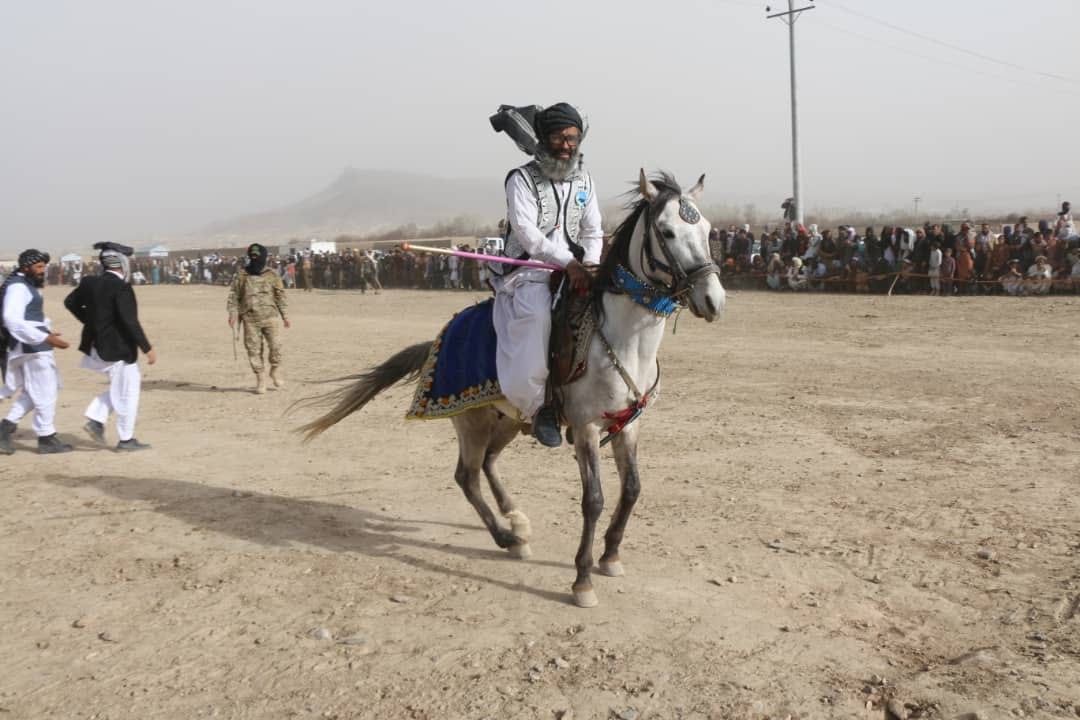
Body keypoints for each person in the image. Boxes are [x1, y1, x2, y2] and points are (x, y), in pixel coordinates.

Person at [490, 102, 602, 447]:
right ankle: (541, 408)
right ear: (544, 138)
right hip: (530, 270)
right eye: (559, 138)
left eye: (573, 138)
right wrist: (568, 262)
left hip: (579, 269)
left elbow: (593, 229)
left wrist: (590, 265)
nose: (567, 145)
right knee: (538, 316)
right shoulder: (520, 179)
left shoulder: (585, 180)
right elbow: (528, 235)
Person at [64, 242, 157, 451]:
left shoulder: (89, 282)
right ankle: (124, 438)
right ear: (121, 262)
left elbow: (70, 302)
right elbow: (130, 321)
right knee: (128, 391)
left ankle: (97, 420)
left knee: (122, 387)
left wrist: (93, 322)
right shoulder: (121, 287)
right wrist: (147, 347)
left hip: (97, 346)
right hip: (119, 348)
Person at [0, 249, 73, 454]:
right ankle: (46, 437)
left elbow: (31, 318)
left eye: (44, 267)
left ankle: (5, 428)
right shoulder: (18, 287)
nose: (43, 271)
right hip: (31, 347)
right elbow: (11, 319)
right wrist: (44, 337)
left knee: (35, 391)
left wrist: (46, 331)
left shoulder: (27, 285)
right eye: (39, 267)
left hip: (35, 344)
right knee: (46, 390)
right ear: (26, 267)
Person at [227, 243, 290, 394]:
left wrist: (285, 316)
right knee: (254, 350)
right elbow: (234, 296)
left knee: (276, 346)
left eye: (257, 255)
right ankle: (260, 379)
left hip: (270, 317)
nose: (254, 258)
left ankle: (274, 370)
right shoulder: (242, 275)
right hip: (250, 319)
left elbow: (280, 295)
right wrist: (232, 314)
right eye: (252, 256)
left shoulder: (272, 275)